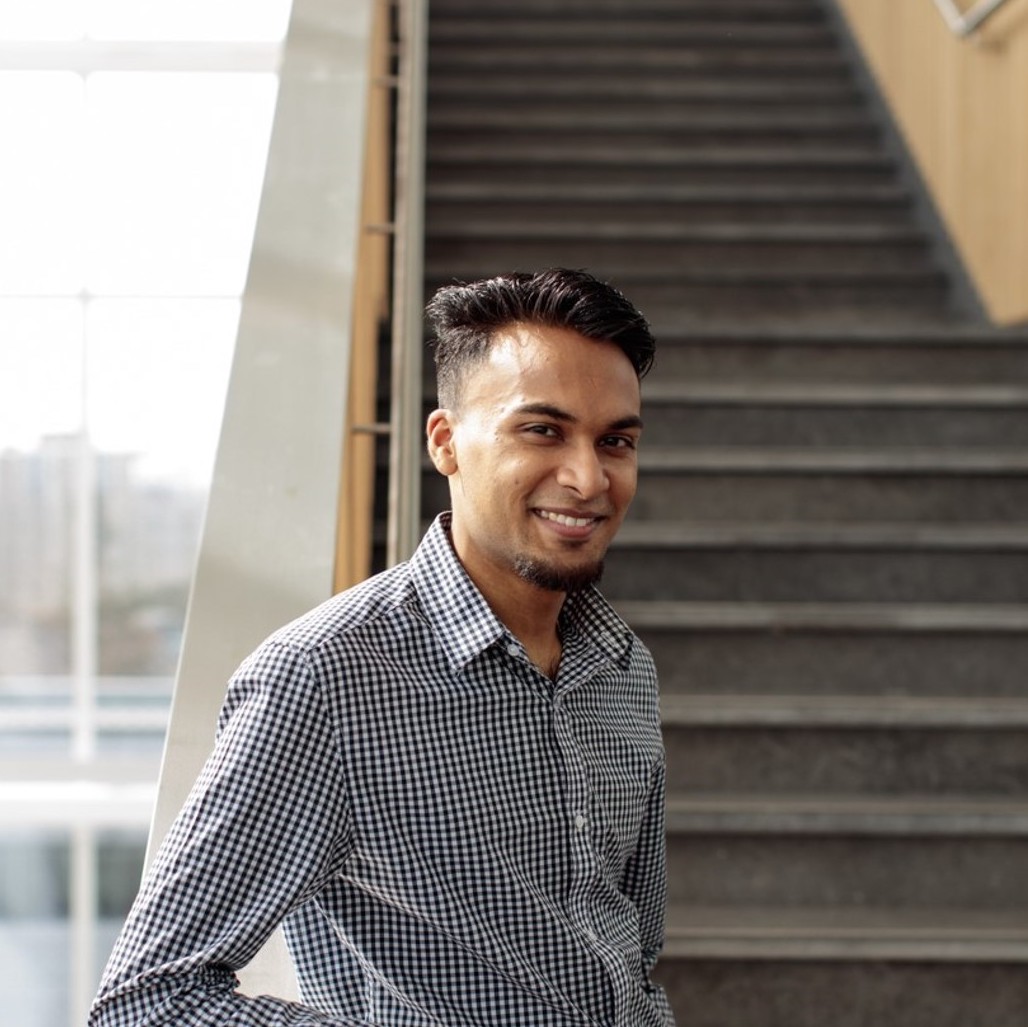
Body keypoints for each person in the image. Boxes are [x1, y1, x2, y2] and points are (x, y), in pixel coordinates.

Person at [91, 267, 674, 1026]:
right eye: (542, 430)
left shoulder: (623, 668)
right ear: (446, 442)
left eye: (615, 441)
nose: (588, 476)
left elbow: (634, 948)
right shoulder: (324, 678)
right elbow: (146, 1000)